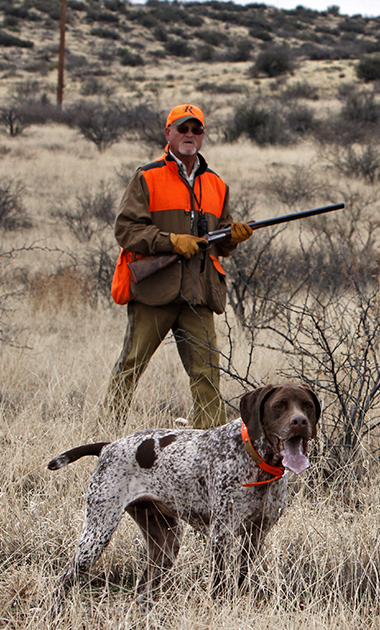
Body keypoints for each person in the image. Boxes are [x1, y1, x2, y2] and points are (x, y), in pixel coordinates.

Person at [102, 104, 253, 430]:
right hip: (155, 290)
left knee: (208, 374)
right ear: (168, 133)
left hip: (199, 293)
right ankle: (108, 432)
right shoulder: (148, 176)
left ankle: (209, 443)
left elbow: (221, 241)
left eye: (196, 130)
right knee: (131, 365)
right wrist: (172, 242)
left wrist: (234, 237)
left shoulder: (215, 184)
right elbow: (126, 231)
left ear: (202, 136)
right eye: (182, 128)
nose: (189, 135)